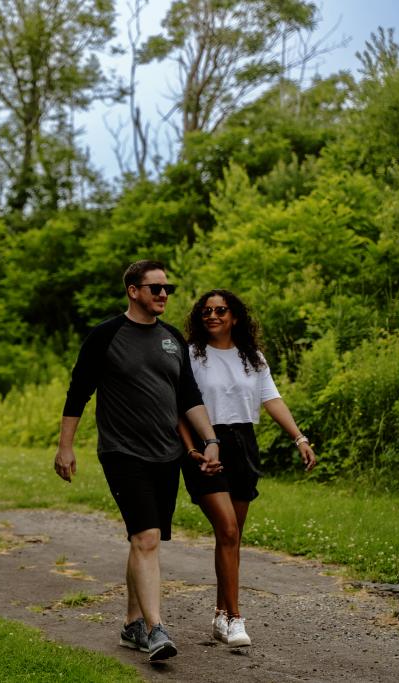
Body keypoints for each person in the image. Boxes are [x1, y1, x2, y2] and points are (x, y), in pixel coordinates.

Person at [53, 260, 222, 663]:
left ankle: (132, 623)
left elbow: (188, 395)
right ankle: (156, 629)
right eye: (156, 288)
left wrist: (210, 439)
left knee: (143, 539)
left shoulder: (171, 338)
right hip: (122, 452)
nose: (164, 294)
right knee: (146, 538)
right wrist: (65, 446)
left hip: (168, 454)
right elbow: (79, 393)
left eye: (168, 288)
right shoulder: (106, 336)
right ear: (133, 291)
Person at [178, 289, 317, 648]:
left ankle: (221, 614)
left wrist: (299, 438)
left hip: (243, 443)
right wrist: (191, 448)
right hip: (206, 445)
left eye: (220, 310)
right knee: (226, 529)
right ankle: (237, 619)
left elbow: (272, 399)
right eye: (206, 311)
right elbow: (178, 404)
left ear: (234, 316)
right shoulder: (192, 355)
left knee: (232, 535)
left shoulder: (251, 358)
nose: (212, 315)